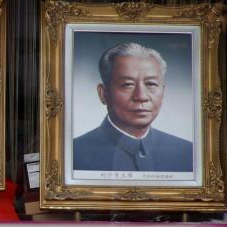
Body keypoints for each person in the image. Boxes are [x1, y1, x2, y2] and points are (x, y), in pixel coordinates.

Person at [73, 42, 193, 172]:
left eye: (151, 84)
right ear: (103, 93)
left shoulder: (187, 152)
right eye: (127, 85)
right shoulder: (73, 154)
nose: (141, 96)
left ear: (162, 92)